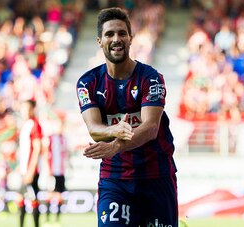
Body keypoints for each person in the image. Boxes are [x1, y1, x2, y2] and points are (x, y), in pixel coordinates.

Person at [76, 7, 178, 227]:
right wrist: (114, 131)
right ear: (99, 41)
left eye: (122, 33)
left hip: (156, 176)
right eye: (109, 34)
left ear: (131, 39)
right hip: (115, 180)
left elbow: (151, 128)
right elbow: (94, 129)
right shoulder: (88, 83)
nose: (116, 39)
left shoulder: (151, 78)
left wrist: (116, 146)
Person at [18, 99, 43, 227]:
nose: (25, 111)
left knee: (33, 199)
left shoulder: (35, 125)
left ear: (33, 109)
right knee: (21, 199)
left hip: (30, 171)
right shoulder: (25, 125)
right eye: (23, 108)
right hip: (23, 170)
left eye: (28, 109)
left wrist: (31, 171)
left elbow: (37, 149)